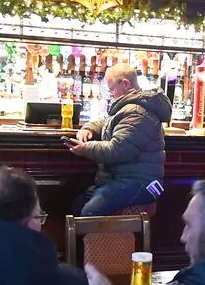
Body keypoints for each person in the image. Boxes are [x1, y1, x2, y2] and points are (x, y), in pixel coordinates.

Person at [67, 63, 172, 216]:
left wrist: (85, 149)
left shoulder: (138, 112)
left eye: (111, 90)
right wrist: (88, 129)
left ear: (125, 83)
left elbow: (118, 150)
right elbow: (107, 120)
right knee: (78, 205)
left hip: (142, 183)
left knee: (90, 211)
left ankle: (110, 241)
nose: (110, 94)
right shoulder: (129, 106)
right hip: (124, 180)